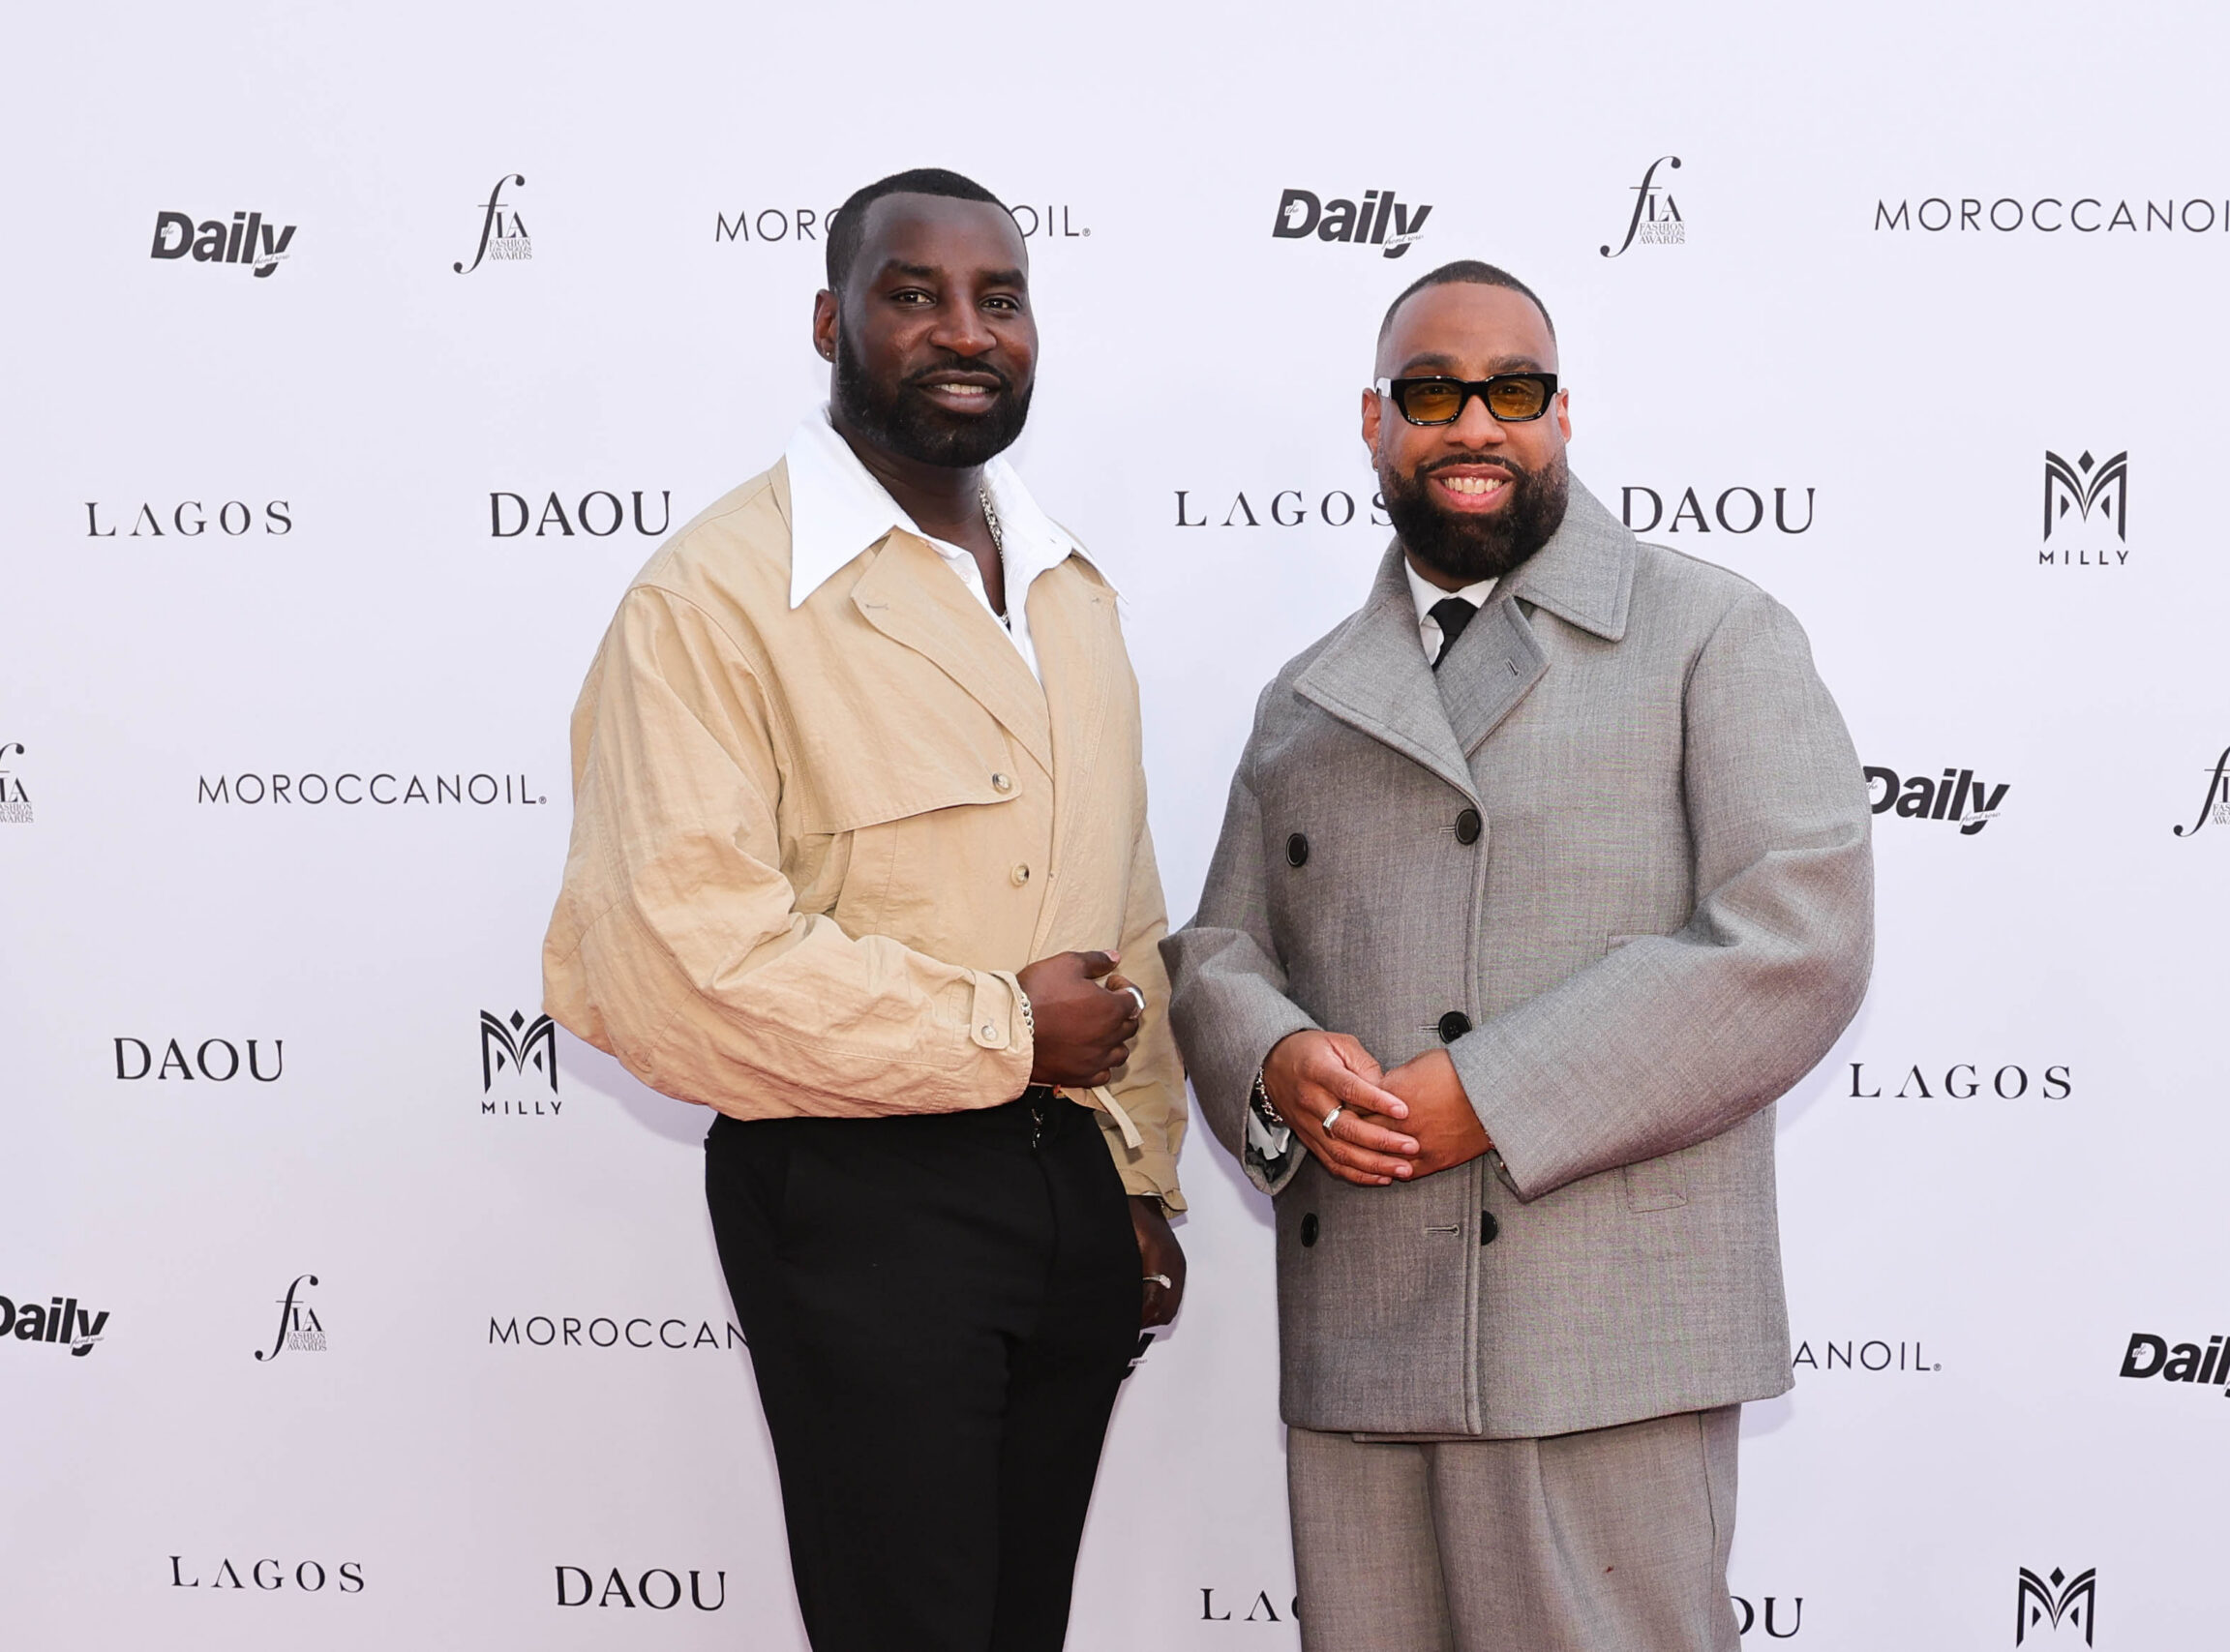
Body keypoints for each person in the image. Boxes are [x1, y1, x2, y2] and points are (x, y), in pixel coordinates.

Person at [1161, 259, 1873, 1652]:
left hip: (1605, 1334)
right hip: (1367, 1332)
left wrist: (1486, 1093)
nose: (1473, 423)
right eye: (1431, 392)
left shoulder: (1710, 631)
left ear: (1562, 415)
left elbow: (1798, 935)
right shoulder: (1304, 696)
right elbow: (1220, 949)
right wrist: (1278, 1059)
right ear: (1374, 422)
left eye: (1513, 391)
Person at [542, 166, 1186, 1652]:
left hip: (1067, 1181)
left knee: (1018, 1626)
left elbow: (1124, 910)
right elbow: (679, 958)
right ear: (831, 319)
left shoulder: (1072, 592)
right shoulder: (711, 596)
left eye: (1000, 299)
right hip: (853, 1193)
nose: (967, 331)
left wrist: (1139, 1177)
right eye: (916, 296)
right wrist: (1012, 1031)